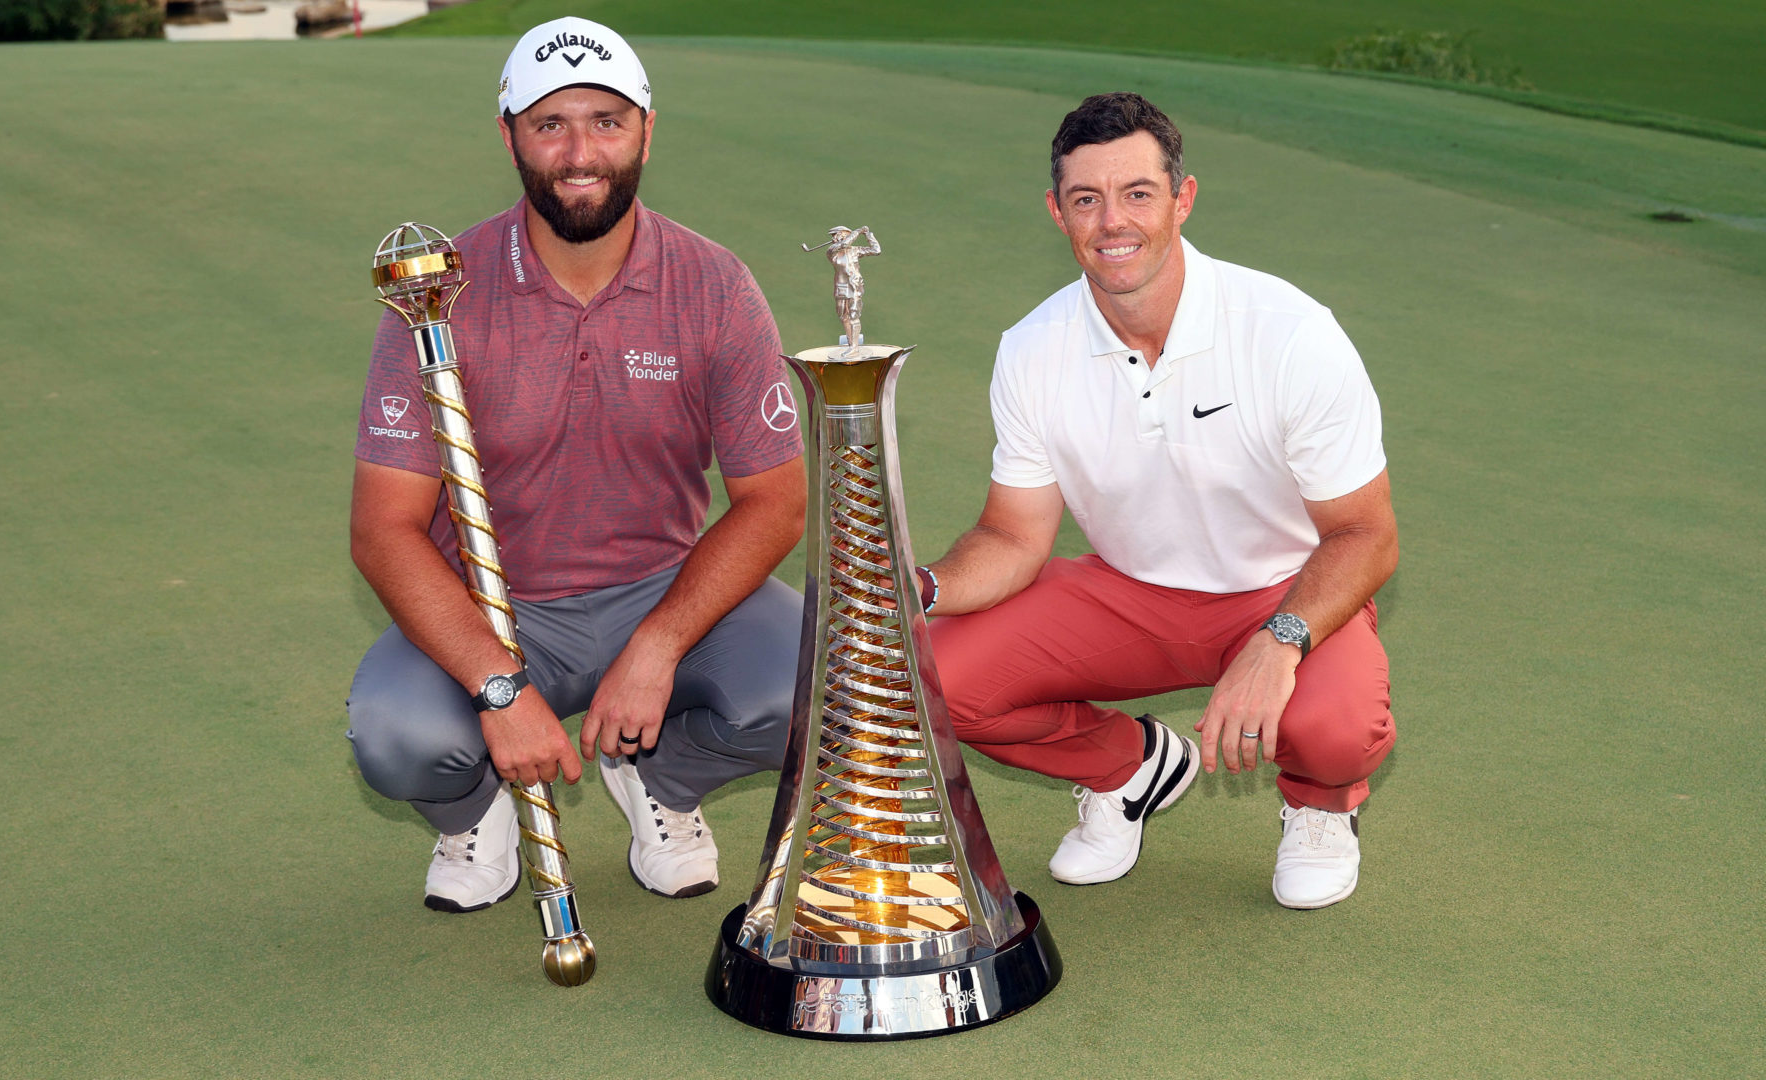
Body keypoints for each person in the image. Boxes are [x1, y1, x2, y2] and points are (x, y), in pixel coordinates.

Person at [345, 16, 806, 912]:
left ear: (646, 128)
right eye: (550, 124)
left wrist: (660, 644)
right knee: (396, 737)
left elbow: (773, 504)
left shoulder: (714, 284)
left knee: (811, 691)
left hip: (659, 589)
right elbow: (383, 529)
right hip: (493, 602)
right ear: (510, 135)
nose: (579, 151)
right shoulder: (437, 289)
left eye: (605, 121)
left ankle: (661, 782)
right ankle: (477, 811)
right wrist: (498, 683)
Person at [917, 92, 1398, 910]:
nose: (1114, 221)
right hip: (1128, 593)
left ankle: (1320, 807)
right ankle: (1130, 768)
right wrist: (916, 587)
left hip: (1284, 592)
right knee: (931, 675)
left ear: (1182, 199)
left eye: (1137, 193)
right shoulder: (1033, 348)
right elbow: (1011, 536)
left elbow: (1365, 537)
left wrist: (1278, 641)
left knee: (1335, 729)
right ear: (1056, 213)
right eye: (1086, 199)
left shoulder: (1288, 330)